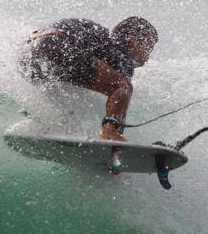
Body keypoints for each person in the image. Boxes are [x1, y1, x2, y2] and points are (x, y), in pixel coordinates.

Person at [19, 17, 158, 142]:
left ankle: (47, 128)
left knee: (72, 98)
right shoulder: (121, 50)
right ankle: (109, 133)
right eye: (148, 48)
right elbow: (122, 95)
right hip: (54, 45)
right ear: (132, 40)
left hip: (27, 53)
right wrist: (117, 136)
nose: (147, 58)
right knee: (123, 86)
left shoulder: (102, 40)